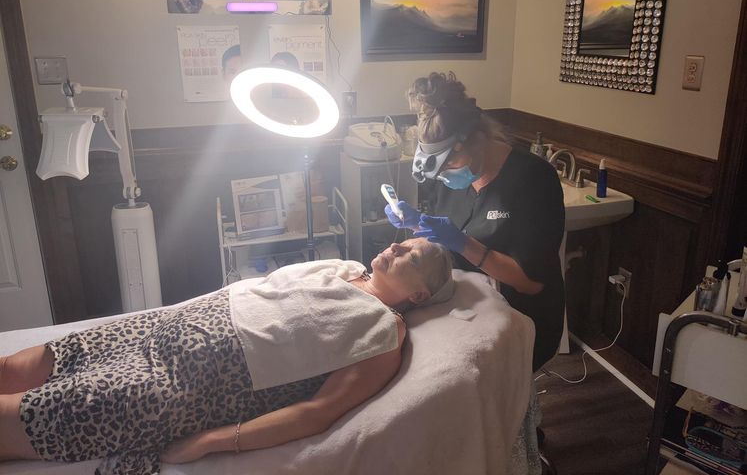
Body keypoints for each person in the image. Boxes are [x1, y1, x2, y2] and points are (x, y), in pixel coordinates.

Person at [0, 239, 452, 475]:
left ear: (419, 293)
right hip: (156, 329)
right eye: (401, 242)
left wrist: (211, 441)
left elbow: (318, 412)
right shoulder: (342, 268)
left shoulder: (384, 331)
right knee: (13, 368)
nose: (395, 247)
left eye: (411, 254)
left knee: (20, 417)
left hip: (181, 383)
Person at [385, 71, 565, 373]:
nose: (446, 175)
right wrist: (418, 224)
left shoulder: (534, 180)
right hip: (467, 311)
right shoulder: (449, 179)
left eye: (452, 164)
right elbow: (445, 237)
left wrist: (463, 243)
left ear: (478, 139)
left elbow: (530, 283)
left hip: (519, 320)